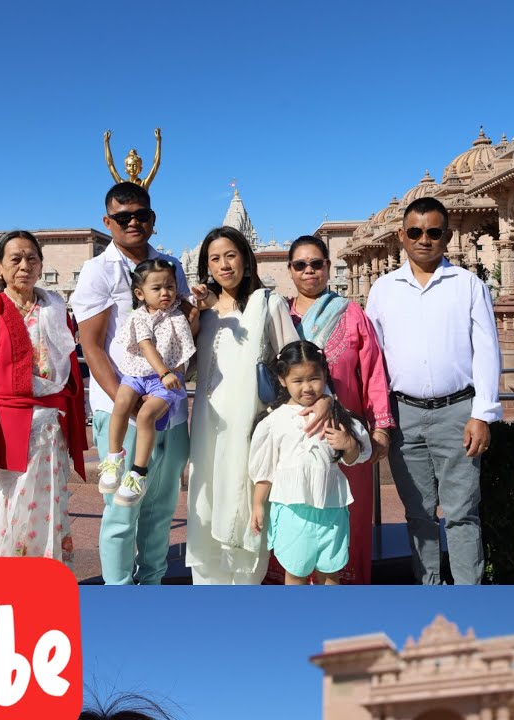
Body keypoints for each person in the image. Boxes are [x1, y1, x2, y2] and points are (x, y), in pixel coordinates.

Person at [365, 196, 501, 585]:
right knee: (418, 513)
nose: (424, 239)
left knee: (462, 512)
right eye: (415, 232)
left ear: (446, 237)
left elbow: (487, 350)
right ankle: (429, 589)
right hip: (404, 415)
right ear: (402, 236)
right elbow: (374, 358)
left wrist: (482, 413)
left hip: (458, 413)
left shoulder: (467, 285)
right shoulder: (384, 289)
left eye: (433, 232)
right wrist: (379, 418)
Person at [186, 226, 329, 584]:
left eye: (230, 255)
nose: (223, 265)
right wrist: (190, 316)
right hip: (207, 427)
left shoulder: (268, 304)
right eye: (214, 259)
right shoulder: (202, 314)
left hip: (253, 429)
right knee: (207, 503)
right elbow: (184, 367)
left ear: (246, 260)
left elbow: (296, 363)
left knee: (247, 504)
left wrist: (323, 399)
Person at [71, 182, 190, 584]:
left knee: (160, 510)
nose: (133, 222)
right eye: (123, 217)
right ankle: (118, 595)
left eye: (140, 215)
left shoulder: (171, 266)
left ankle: (152, 587)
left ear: (153, 220)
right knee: (122, 512)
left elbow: (186, 327)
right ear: (108, 222)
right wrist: (132, 405)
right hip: (122, 409)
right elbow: (93, 347)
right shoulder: (97, 271)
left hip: (169, 410)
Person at [266, 235, 392, 585]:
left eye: (317, 264)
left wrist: (380, 428)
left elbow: (374, 373)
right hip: (292, 447)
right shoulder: (281, 317)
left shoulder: (352, 315)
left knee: (346, 529)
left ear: (327, 266)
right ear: (290, 271)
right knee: (293, 527)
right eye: (301, 265)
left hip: (343, 442)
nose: (309, 272)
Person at [0, 230, 87, 567]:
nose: (24, 265)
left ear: (41, 264)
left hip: (51, 435)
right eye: (15, 259)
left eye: (32, 258)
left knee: (52, 512)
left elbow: (70, 375)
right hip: (9, 435)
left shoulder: (56, 311)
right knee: (8, 515)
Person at [249, 340, 371, 585]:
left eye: (314, 379)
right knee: (295, 571)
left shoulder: (337, 414)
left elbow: (356, 457)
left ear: (324, 375)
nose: (307, 387)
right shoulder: (275, 420)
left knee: (331, 570)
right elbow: (265, 469)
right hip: (292, 509)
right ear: (282, 380)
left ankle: (331, 620)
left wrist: (348, 443)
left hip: (332, 507)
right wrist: (258, 504)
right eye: (297, 381)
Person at [97, 257, 197, 507]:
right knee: (121, 402)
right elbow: (145, 345)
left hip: (167, 381)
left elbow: (196, 314)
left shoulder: (178, 313)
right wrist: (164, 372)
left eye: (170, 286)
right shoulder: (140, 317)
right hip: (141, 374)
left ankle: (138, 472)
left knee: (145, 416)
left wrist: (201, 298)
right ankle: (113, 457)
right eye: (157, 288)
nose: (165, 293)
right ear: (140, 293)